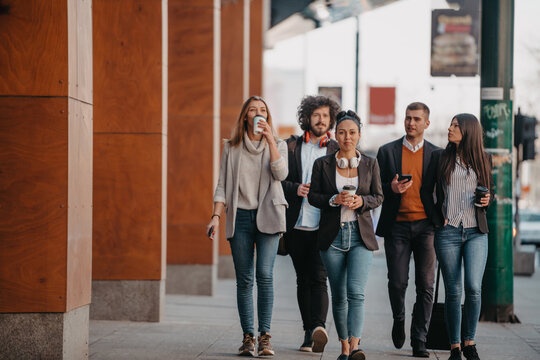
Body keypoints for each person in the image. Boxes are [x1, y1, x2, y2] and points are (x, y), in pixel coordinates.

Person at [206, 96, 288, 357]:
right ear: (245, 116)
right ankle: (248, 337)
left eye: (263, 110)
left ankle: (265, 336)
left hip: (269, 215)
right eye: (253, 110)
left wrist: (269, 141)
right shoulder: (231, 147)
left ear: (268, 117)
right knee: (245, 279)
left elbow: (281, 174)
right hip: (240, 217)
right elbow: (222, 185)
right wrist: (216, 216)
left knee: (265, 275)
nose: (257, 113)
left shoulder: (279, 145)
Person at [308, 110, 383, 360]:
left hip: (360, 236)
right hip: (333, 237)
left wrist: (361, 200)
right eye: (342, 132)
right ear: (335, 135)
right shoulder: (323, 164)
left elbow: (379, 197)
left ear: (359, 135)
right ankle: (343, 346)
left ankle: (355, 346)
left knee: (356, 293)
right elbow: (312, 196)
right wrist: (333, 199)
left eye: (352, 132)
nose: (347, 137)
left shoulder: (371, 164)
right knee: (339, 295)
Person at [421, 113, 493, 360]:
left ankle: (469, 342)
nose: (449, 129)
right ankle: (454, 347)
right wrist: (434, 217)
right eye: (450, 124)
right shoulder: (439, 157)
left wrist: (486, 199)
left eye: (455, 126)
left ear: (468, 132)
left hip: (476, 232)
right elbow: (425, 191)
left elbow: (488, 194)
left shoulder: (485, 159)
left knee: (473, 287)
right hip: (448, 231)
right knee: (454, 290)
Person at [375, 102, 440, 357]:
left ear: (426, 123)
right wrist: (390, 189)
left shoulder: (437, 154)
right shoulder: (387, 151)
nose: (411, 123)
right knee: (397, 282)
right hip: (397, 226)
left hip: (426, 227)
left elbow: (442, 191)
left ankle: (420, 338)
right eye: (407, 118)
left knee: (426, 285)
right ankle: (399, 317)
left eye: (416, 119)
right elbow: (375, 187)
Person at [281, 95, 340, 353]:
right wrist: (296, 189)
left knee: (318, 276)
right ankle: (308, 333)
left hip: (323, 224)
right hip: (295, 225)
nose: (320, 120)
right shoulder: (291, 146)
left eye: (325, 116)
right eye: (316, 115)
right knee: (302, 279)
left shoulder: (336, 149)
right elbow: (278, 181)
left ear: (331, 119)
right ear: (307, 117)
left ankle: (319, 328)